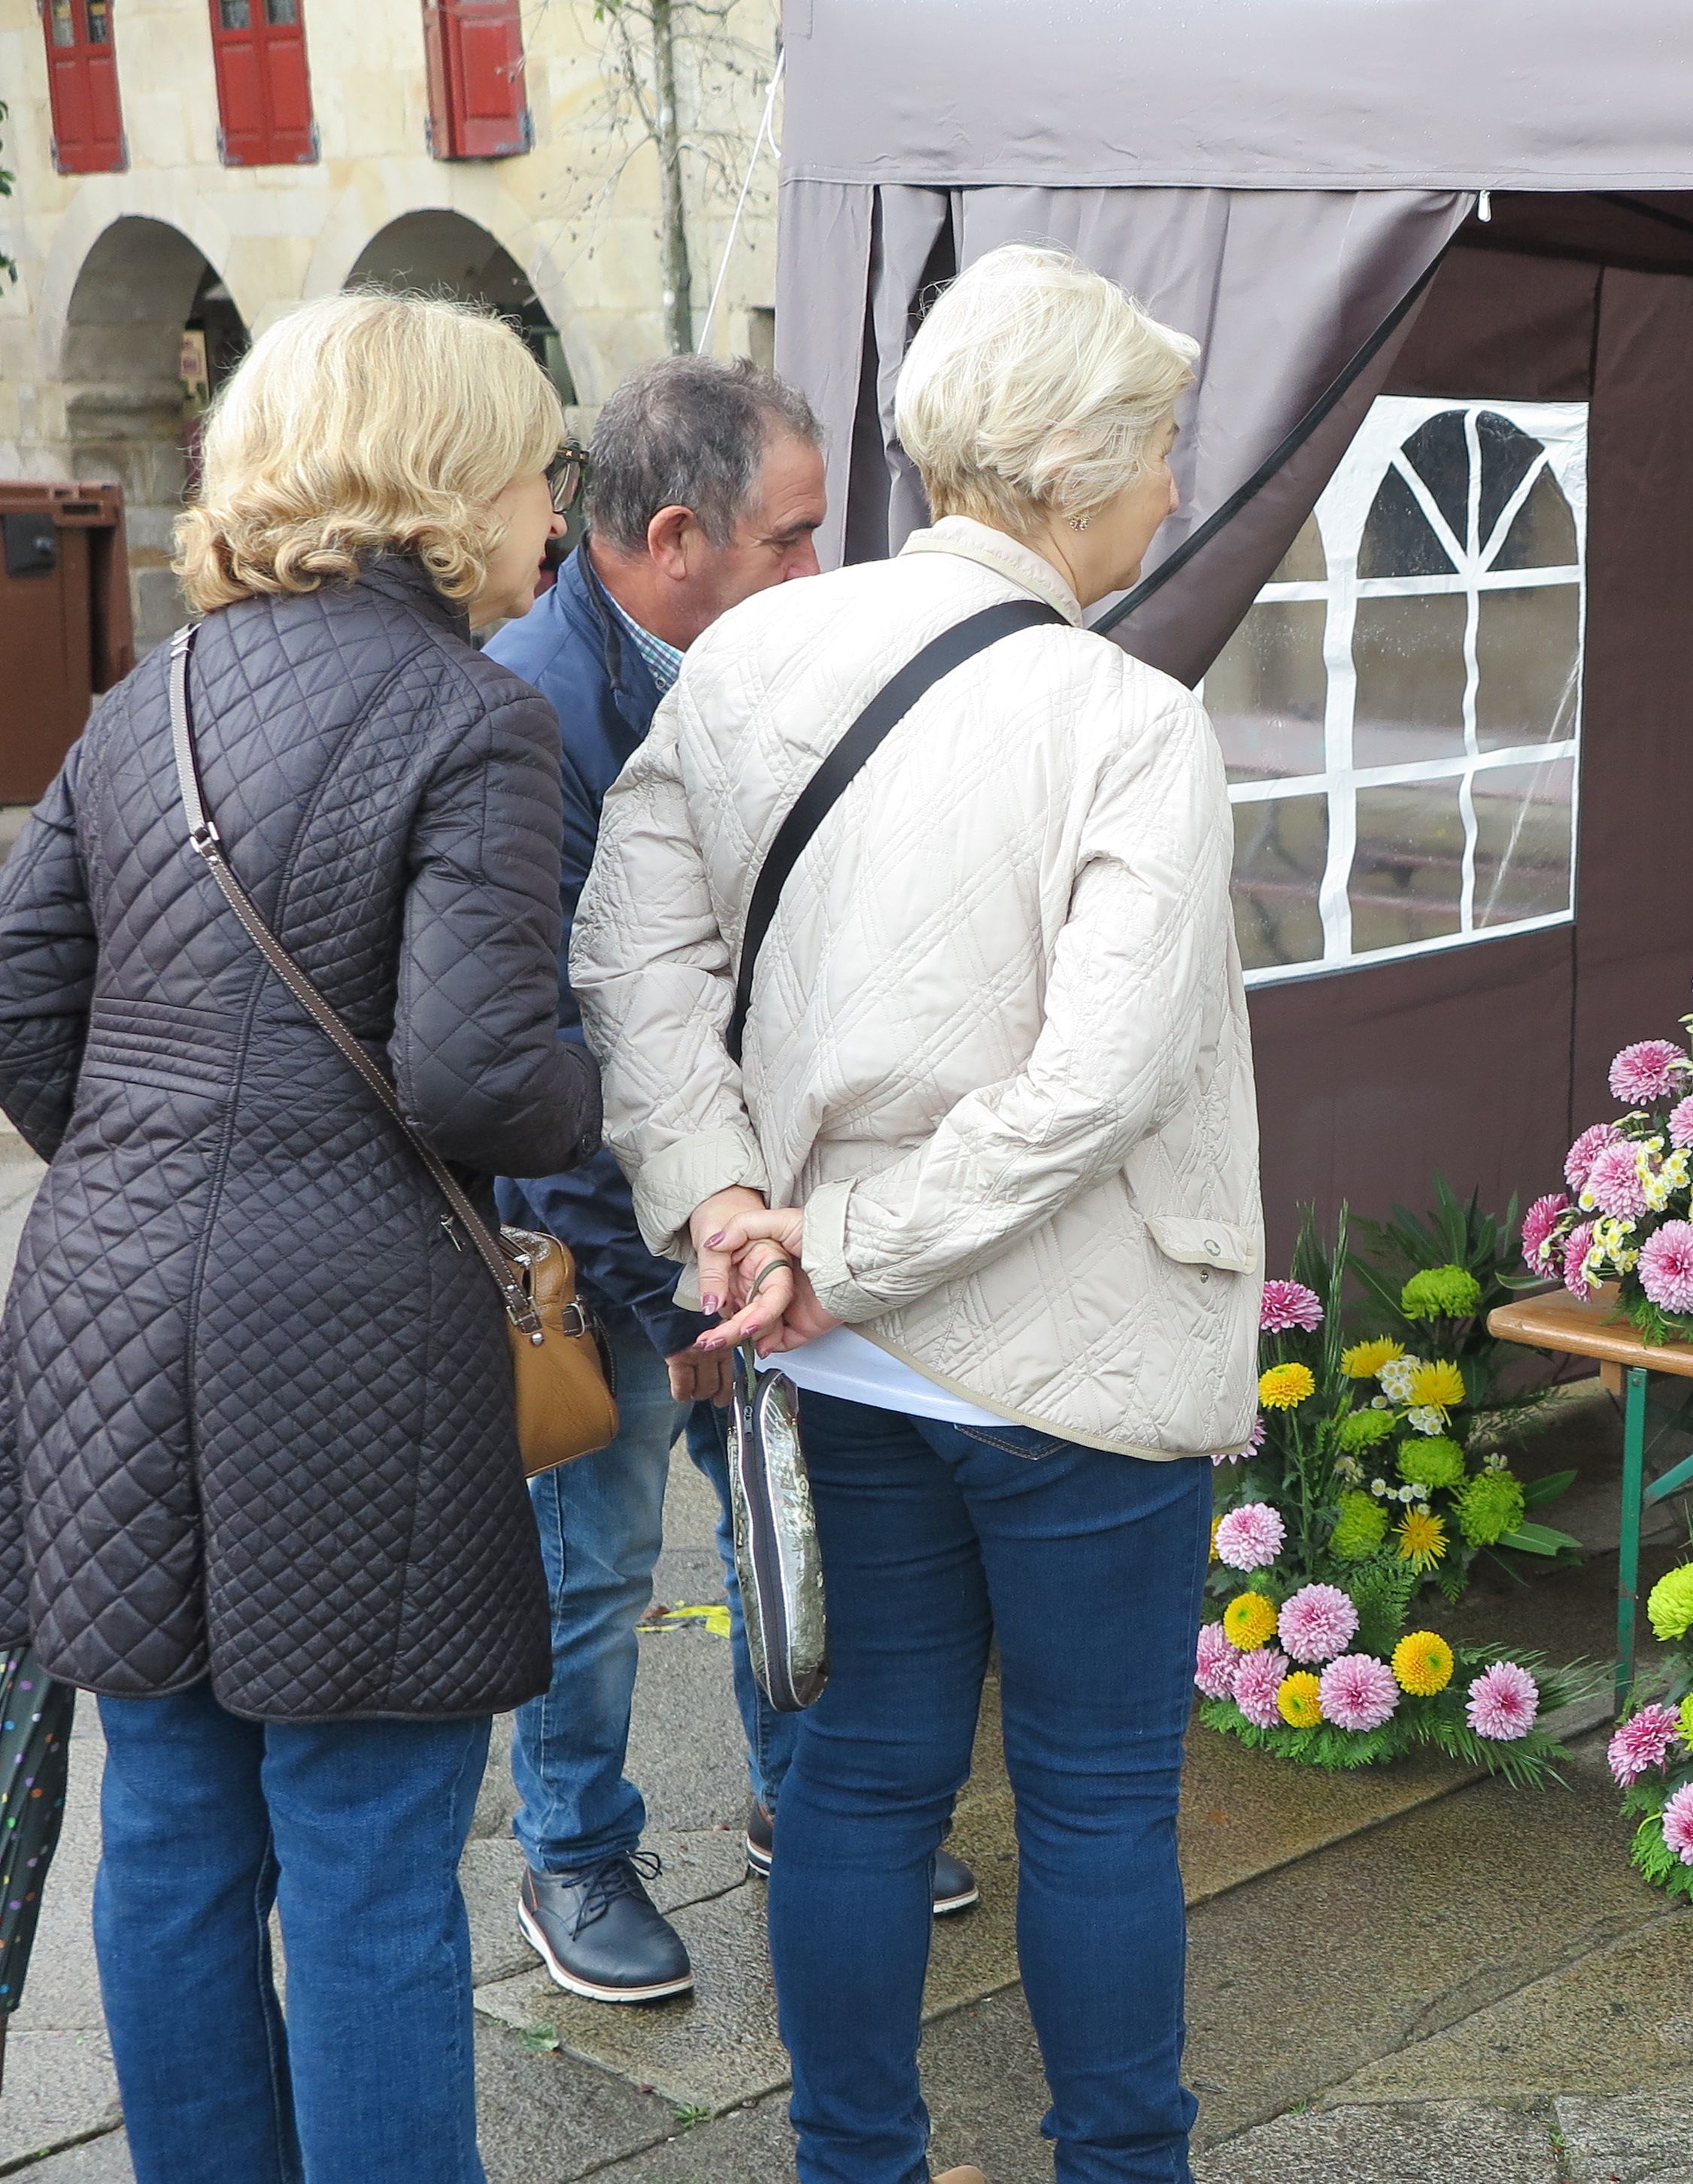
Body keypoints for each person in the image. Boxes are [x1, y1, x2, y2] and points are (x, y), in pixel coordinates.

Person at [574, 244, 1258, 2183]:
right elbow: (1101, 1085)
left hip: (834, 1352)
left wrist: (731, 1211)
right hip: (1072, 1347)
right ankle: (1123, 2168)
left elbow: (631, 965)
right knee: (1103, 1803)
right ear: (1084, 464)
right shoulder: (1129, 719)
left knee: (864, 1787)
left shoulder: (747, 662)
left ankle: (852, 2164)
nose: (1171, 493)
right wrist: (809, 1245)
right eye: (1162, 452)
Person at [0, 293, 602, 2182]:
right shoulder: (476, 717)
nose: (552, 520)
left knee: (171, 1828)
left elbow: (23, 1000)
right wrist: (626, 1112)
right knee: (362, 1848)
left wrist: (140, 1172)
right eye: (534, 469)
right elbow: (480, 1078)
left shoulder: (143, 696)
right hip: (345, 1341)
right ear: (441, 479)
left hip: (99, 1302)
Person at [485, 353, 976, 2007]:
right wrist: (662, 1290)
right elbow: (540, 1044)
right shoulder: (532, 710)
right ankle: (572, 1853)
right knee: (597, 1561)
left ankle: (800, 1803)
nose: (820, 574)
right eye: (791, 538)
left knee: (780, 1525)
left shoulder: (760, 659)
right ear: (676, 534)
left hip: (741, 1225)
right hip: (597, 1249)